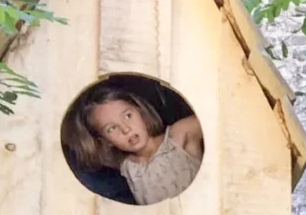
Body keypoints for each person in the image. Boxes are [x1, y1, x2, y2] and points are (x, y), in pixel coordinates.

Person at [63, 83, 203, 205]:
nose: (125, 129)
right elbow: (71, 141)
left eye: (128, 116)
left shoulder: (180, 135)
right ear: (105, 141)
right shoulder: (126, 165)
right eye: (111, 128)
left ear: (141, 112)